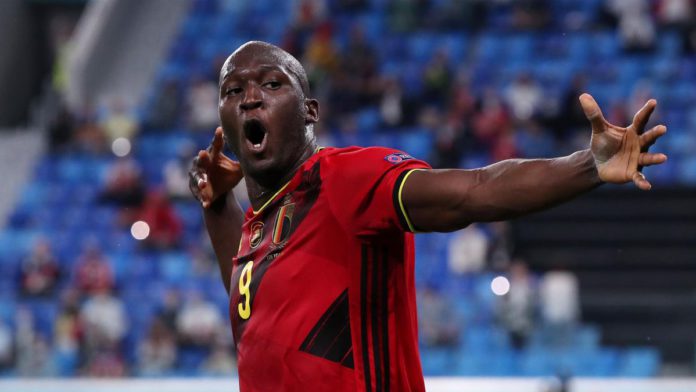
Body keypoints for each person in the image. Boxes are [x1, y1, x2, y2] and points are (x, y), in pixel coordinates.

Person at [188, 41, 668, 391]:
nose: (250, 96)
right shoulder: (261, 222)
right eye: (233, 90)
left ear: (310, 111)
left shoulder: (344, 178)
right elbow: (256, 317)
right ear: (224, 121)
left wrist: (588, 166)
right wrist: (216, 207)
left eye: (271, 84)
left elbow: (473, 191)